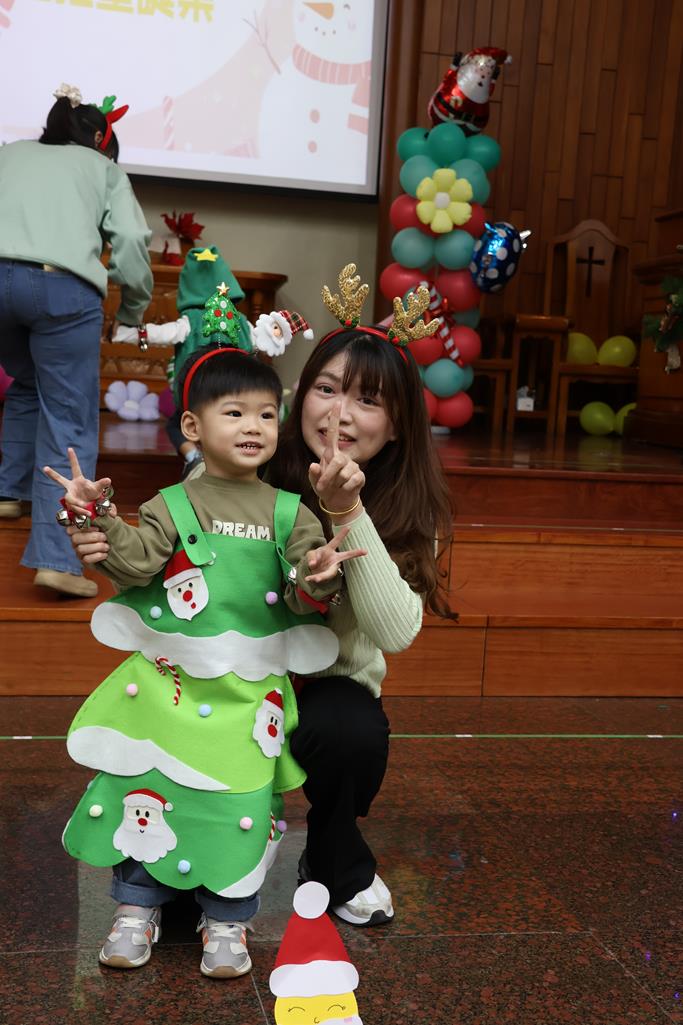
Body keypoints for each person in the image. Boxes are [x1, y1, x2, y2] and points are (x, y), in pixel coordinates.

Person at [70, 264, 456, 929]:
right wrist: (101, 536)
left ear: (396, 424)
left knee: (350, 731)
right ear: (298, 397)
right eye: (326, 388)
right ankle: (178, 857)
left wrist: (347, 509)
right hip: (220, 675)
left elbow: (394, 632)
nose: (338, 413)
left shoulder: (412, 506)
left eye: (366, 400)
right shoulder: (246, 462)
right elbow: (163, 565)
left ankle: (335, 858)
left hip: (321, 684)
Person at [46, 334, 365, 977]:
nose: (254, 426)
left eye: (267, 414)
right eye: (235, 412)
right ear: (192, 426)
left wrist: (319, 576)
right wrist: (99, 516)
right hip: (169, 687)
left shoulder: (291, 511)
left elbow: (303, 596)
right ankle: (135, 908)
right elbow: (137, 564)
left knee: (239, 801)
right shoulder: (171, 503)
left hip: (248, 698)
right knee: (148, 786)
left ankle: (228, 918)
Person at [0, 84, 153, 597]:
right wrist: (131, 311)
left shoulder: (10, 153)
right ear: (100, 141)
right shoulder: (103, 168)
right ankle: (58, 559)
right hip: (61, 289)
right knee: (68, 416)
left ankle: (9, 490)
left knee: (27, 379)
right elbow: (131, 240)